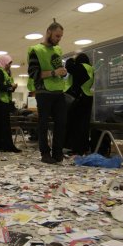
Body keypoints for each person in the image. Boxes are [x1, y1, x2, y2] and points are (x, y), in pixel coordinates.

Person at [27, 19, 68, 164]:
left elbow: (57, 68)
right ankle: (45, 153)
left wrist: (62, 72)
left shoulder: (58, 50)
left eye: (61, 36)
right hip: (43, 92)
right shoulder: (36, 50)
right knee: (43, 123)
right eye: (57, 36)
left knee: (61, 123)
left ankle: (58, 152)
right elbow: (33, 74)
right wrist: (54, 72)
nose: (59, 39)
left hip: (58, 91)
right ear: (49, 32)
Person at [0, 55, 21, 153]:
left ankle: (1, 145)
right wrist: (11, 85)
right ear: (3, 62)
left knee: (2, 125)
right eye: (8, 63)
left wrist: (12, 88)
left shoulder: (4, 73)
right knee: (0, 125)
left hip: (1, 102)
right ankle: (2, 145)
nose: (9, 66)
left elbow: (5, 88)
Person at [64, 53, 94, 155]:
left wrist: (70, 60)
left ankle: (77, 148)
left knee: (76, 125)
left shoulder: (80, 67)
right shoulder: (90, 68)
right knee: (84, 125)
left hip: (79, 99)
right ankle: (83, 147)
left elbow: (69, 67)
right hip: (87, 97)